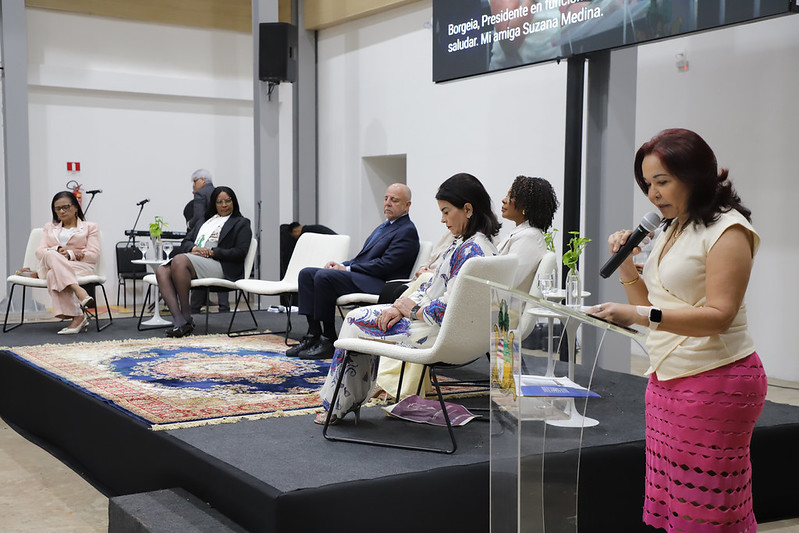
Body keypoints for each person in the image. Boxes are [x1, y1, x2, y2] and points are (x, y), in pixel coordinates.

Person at [588, 128, 766, 532]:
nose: (653, 195)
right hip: (668, 377)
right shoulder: (672, 227)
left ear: (696, 174)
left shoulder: (728, 230)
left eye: (663, 182)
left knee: (710, 505)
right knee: (675, 500)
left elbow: (719, 315)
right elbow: (649, 307)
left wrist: (639, 317)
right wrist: (628, 265)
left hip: (717, 378)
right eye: (648, 184)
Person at [315, 173, 502, 424]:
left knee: (353, 320)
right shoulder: (483, 246)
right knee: (367, 316)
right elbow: (441, 292)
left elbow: (445, 310)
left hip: (434, 333)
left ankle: (338, 404)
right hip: (461, 336)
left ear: (467, 209)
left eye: (446, 212)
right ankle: (346, 400)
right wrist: (401, 307)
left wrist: (410, 309)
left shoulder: (469, 251)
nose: (443, 219)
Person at [375, 175, 560, 399]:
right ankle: (400, 378)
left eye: (510, 196)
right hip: (485, 306)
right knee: (418, 288)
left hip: (495, 314)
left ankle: (397, 381)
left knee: (407, 302)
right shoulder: (518, 234)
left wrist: (422, 306)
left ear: (526, 206)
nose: (503, 200)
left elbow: (501, 283)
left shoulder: (528, 239)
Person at [288, 183, 420, 360]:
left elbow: (386, 265)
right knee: (307, 273)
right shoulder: (385, 226)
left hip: (383, 283)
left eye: (394, 200)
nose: (387, 203)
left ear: (407, 205)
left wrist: (348, 269)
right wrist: (341, 265)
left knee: (324, 277)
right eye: (386, 198)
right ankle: (313, 335)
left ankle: (328, 339)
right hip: (366, 276)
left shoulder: (407, 230)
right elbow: (362, 259)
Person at [156, 186, 252, 338]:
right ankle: (180, 321)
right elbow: (186, 241)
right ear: (214, 204)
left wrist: (213, 252)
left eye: (228, 201)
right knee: (162, 270)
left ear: (234, 202)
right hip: (197, 259)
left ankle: (186, 315)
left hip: (220, 264)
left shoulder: (241, 223)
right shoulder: (204, 222)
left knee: (180, 260)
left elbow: (240, 252)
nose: (224, 205)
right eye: (220, 202)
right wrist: (194, 248)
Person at [35, 191, 100, 334]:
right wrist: (57, 250)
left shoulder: (90, 227)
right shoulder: (49, 227)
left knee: (53, 274)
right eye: (58, 209)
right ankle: (79, 291)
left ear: (76, 207)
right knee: (51, 255)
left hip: (80, 265)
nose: (62, 211)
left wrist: (70, 253)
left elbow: (94, 255)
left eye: (66, 207)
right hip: (53, 262)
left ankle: (78, 317)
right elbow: (40, 251)